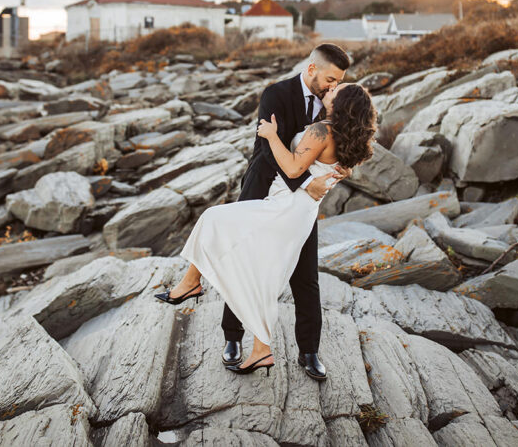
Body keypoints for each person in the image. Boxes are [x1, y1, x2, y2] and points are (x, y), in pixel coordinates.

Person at [155, 47, 377, 379]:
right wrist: (307, 182)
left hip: (297, 206)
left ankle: (309, 351)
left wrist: (314, 178)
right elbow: (266, 150)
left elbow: (317, 152)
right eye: (331, 79)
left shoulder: (331, 115)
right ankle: (233, 338)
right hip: (267, 188)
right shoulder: (277, 93)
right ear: (313, 68)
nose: (333, 86)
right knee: (242, 258)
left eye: (339, 83)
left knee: (305, 278)